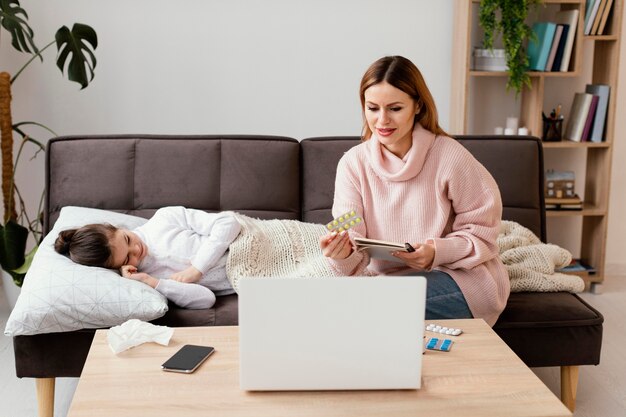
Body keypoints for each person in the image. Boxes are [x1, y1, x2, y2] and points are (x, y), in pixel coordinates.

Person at [319, 56, 509, 326]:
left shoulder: (449, 156)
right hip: (387, 283)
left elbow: (483, 234)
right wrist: (342, 254)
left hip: (459, 277)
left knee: (358, 311)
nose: (382, 120)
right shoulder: (353, 163)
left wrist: (436, 253)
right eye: (372, 108)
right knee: (342, 304)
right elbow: (352, 245)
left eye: (395, 108)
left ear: (417, 106)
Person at [55, 206, 241, 309]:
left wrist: (197, 269)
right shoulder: (148, 277)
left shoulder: (164, 218)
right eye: (128, 258)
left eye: (127, 239)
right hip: (252, 279)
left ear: (116, 227)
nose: (136, 249)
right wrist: (152, 282)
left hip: (257, 244)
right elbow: (206, 300)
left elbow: (229, 222)